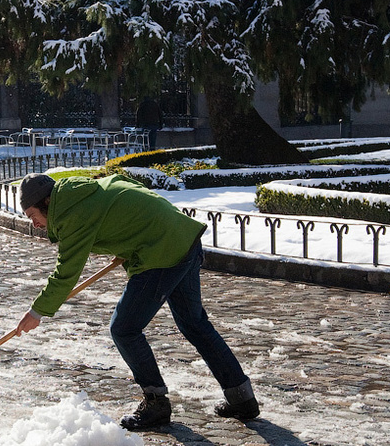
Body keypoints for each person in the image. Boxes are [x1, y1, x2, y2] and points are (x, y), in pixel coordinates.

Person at [15, 172, 259, 430]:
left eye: (32, 216)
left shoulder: (71, 213)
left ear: (48, 202)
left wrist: (37, 311)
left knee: (124, 328)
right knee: (194, 323)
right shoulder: (88, 189)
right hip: (183, 237)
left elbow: (66, 272)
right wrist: (127, 239)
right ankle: (242, 398)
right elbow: (130, 185)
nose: (34, 224)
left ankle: (156, 402)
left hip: (161, 253)